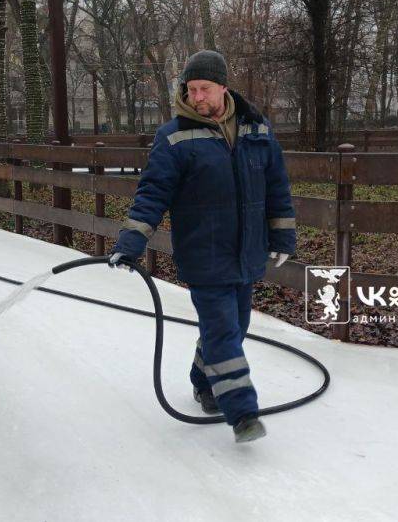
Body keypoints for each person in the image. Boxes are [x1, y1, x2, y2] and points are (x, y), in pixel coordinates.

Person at [109, 50, 297, 443]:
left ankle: (204, 381)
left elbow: (277, 186)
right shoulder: (174, 137)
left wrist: (281, 237)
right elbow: (152, 194)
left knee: (235, 327)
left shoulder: (256, 129)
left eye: (204, 89)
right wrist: (131, 242)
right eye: (190, 90)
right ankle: (242, 412)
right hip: (203, 254)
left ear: (224, 88)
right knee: (223, 331)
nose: (196, 97)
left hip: (247, 252)